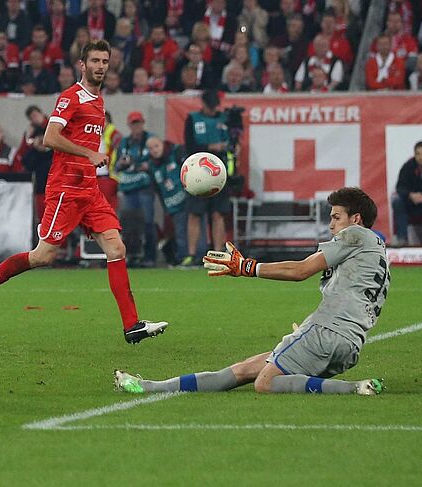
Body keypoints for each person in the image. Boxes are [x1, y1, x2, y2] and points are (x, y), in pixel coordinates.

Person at [0, 40, 168, 344]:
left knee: (116, 249)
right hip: (66, 191)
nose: (100, 66)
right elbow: (50, 137)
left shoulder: (99, 101)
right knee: (42, 256)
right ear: (82, 65)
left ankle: (131, 325)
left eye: (105, 61)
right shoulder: (71, 97)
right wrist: (89, 153)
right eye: (94, 61)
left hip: (90, 191)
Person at [115, 187, 386, 397]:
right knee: (243, 370)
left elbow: (300, 270)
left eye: (336, 218)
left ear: (356, 219)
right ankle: (149, 386)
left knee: (265, 383)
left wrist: (248, 267)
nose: (331, 225)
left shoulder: (356, 234)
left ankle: (355, 388)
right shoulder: (375, 250)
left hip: (326, 332)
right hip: (349, 344)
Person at [181, 90, 231, 266]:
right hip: (197, 173)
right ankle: (192, 254)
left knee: (218, 214)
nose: (212, 110)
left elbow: (232, 143)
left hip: (219, 173)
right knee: (194, 214)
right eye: (209, 106)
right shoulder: (193, 119)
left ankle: (218, 253)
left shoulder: (224, 120)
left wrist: (225, 146)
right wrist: (210, 147)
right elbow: (189, 145)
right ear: (202, 104)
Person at [114, 111, 156, 267]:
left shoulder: (150, 139)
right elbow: (116, 165)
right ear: (129, 125)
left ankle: (150, 257)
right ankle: (132, 255)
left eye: (138, 123)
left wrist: (146, 165)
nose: (136, 126)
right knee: (128, 224)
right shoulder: (124, 142)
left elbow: (157, 159)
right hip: (128, 188)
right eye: (133, 124)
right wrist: (122, 163)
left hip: (144, 186)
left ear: (143, 123)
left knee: (148, 222)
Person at [147, 136, 190, 265]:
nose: (154, 150)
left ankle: (198, 255)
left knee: (193, 228)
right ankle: (183, 257)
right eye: (151, 148)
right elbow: (158, 189)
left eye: (156, 146)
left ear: (162, 144)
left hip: (187, 200)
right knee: (179, 231)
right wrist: (165, 207)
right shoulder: (152, 166)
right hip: (172, 204)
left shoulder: (176, 152)